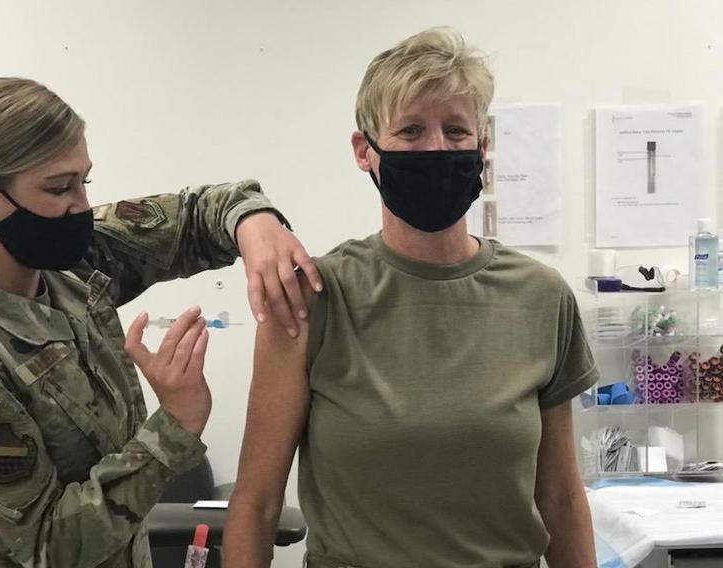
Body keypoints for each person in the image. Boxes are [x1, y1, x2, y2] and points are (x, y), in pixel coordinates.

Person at [0, 77, 322, 567]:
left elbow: (197, 215)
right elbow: (49, 548)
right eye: (58, 187)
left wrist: (254, 223)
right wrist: (174, 425)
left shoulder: (67, 268)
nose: (81, 207)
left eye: (82, 181)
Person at [224, 28, 598, 568]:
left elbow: (561, 497)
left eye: (455, 130)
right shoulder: (312, 297)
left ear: (482, 146)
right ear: (364, 151)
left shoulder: (541, 298)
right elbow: (257, 503)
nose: (436, 149)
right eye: (411, 131)